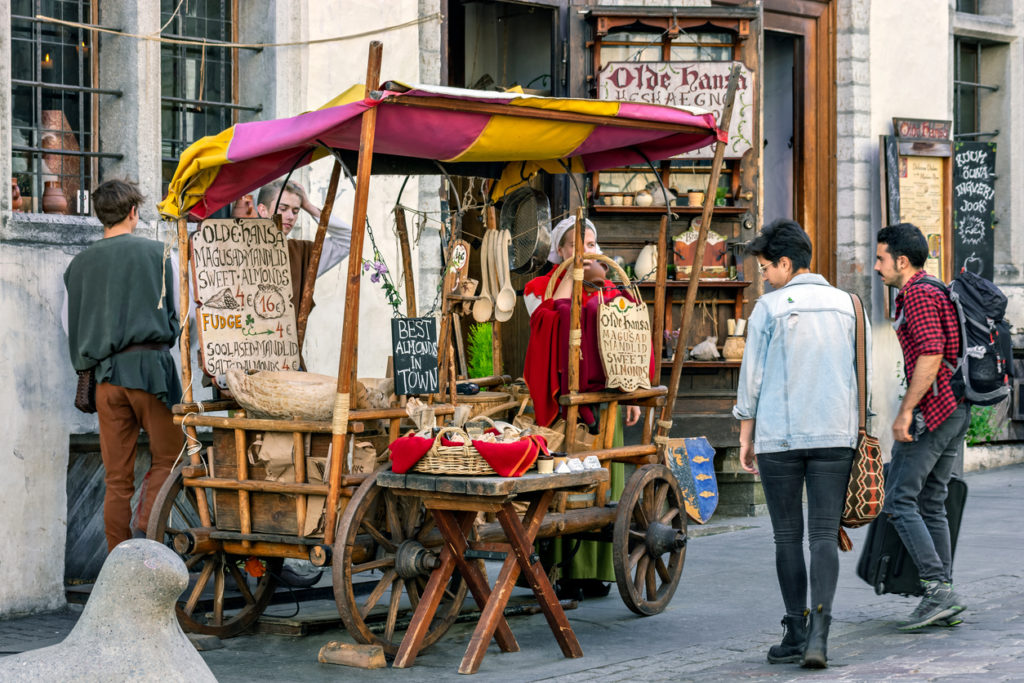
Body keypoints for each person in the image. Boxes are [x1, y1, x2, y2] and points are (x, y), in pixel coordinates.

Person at [734, 219, 865, 669]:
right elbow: (856, 372)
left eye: (767, 267)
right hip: (835, 434)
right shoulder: (849, 305)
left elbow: (751, 379)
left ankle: (796, 630)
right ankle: (820, 638)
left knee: (787, 536)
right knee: (824, 535)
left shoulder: (769, 308)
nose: (764, 276)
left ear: (787, 263)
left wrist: (745, 434)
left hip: (780, 435)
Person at [63, 179, 184, 552]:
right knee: (172, 454)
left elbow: (71, 325)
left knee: (117, 478)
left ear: (101, 216)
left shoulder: (77, 266)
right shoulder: (160, 254)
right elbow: (179, 313)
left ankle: (119, 557)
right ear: (133, 212)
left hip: (104, 379)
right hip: (152, 372)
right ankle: (148, 522)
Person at [874, 223, 969, 630]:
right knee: (931, 500)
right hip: (956, 407)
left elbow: (931, 354)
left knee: (898, 501)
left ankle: (937, 591)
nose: (877, 267)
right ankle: (942, 592)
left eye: (881, 259)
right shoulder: (933, 288)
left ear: (901, 260)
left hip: (934, 409)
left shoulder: (917, 294)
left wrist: (905, 411)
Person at [254, 180, 352, 310]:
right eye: (283, 209)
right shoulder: (236, 249)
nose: (290, 216)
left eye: (295, 211)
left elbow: (348, 238)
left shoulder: (302, 253)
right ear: (263, 210)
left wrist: (308, 206)